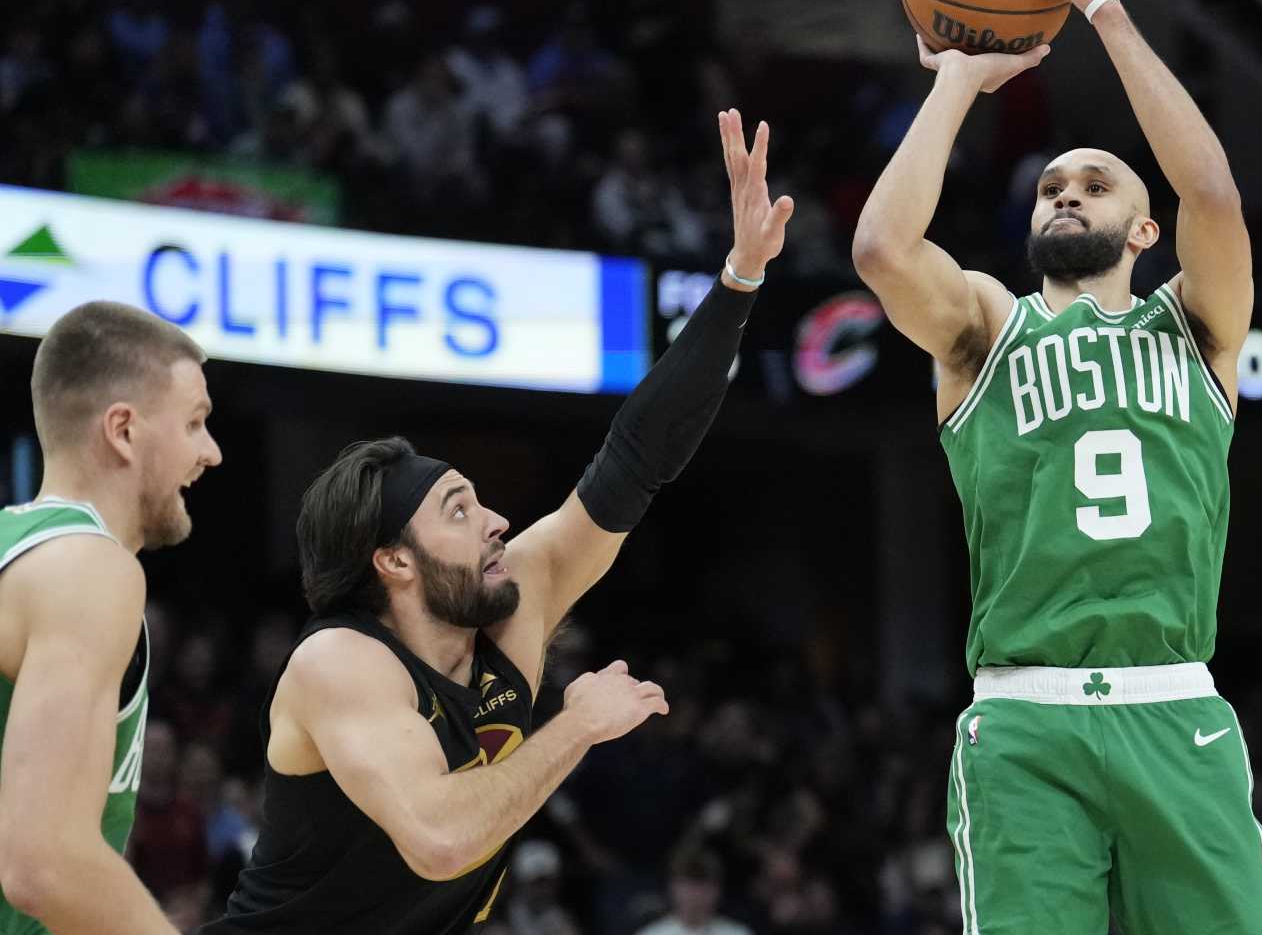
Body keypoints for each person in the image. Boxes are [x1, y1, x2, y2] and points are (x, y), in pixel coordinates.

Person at [203, 108, 794, 933]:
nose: (498, 522)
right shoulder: (341, 663)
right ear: (394, 562)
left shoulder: (514, 599)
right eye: (459, 509)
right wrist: (577, 724)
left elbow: (635, 457)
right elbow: (440, 839)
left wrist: (737, 280)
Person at [852, 0, 1262, 933]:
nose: (1066, 191)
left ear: (1145, 233)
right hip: (1026, 723)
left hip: (1175, 707)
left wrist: (1102, 6)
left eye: (1095, 183)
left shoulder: (1198, 328)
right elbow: (880, 252)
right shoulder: (988, 329)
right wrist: (956, 80)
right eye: (1049, 186)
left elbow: (1214, 197)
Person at [0, 302, 223, 934]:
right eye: (196, 423)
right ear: (123, 429)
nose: (212, 452)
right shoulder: (92, 569)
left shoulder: (21, 552)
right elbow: (43, 863)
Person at [635, 847, 753, 935]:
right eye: (689, 886)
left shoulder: (738, 933)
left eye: (703, 886)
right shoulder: (651, 933)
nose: (696, 895)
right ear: (673, 887)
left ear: (718, 890)